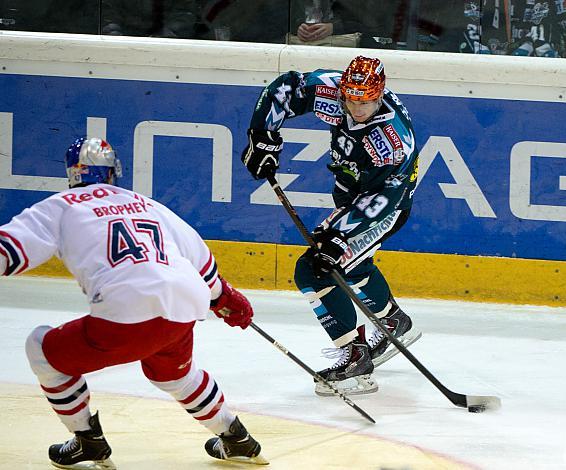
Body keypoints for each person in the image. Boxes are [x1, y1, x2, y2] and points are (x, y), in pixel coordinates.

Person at [0, 137, 268, 468]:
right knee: (174, 376)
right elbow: (199, 256)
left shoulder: (60, 206)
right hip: (182, 303)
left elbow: (9, 252)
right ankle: (236, 437)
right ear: (114, 172)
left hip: (124, 311)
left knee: (42, 350)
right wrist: (222, 297)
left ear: (72, 173)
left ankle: (88, 441)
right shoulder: (145, 203)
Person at [241, 56, 422, 396]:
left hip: (382, 207)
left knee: (314, 269)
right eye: (351, 99)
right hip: (351, 191)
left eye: (365, 101)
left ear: (379, 95)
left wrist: (340, 236)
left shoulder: (391, 140)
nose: (357, 107)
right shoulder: (333, 88)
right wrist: (263, 135)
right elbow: (286, 88)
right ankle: (394, 322)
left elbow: (385, 196)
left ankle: (354, 357)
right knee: (353, 265)